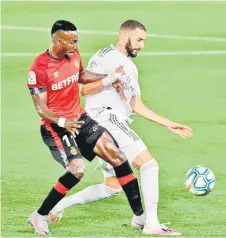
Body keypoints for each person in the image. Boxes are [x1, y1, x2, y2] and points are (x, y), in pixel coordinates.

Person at [49, 20, 193, 236]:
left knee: (112, 186)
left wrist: (169, 124)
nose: (142, 45)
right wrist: (109, 80)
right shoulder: (106, 55)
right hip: (104, 119)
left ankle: (57, 207)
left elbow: (137, 105)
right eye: (139, 40)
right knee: (149, 165)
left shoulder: (131, 68)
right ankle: (151, 225)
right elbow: (82, 88)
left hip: (109, 123)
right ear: (126, 36)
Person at [27, 20, 146, 235]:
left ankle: (140, 218)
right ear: (57, 40)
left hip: (80, 119)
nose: (76, 45)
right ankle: (40, 214)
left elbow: (81, 76)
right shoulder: (39, 68)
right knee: (77, 170)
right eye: (72, 41)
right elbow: (40, 108)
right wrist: (63, 122)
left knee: (118, 156)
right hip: (57, 127)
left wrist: (109, 78)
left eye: (77, 41)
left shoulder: (73, 54)